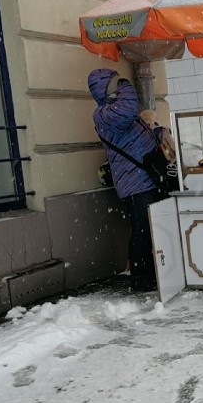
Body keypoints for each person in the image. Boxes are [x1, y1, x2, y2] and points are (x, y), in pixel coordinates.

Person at [88, 68, 164, 292]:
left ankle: (153, 273)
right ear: (104, 90)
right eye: (114, 86)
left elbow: (134, 129)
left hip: (145, 178)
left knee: (151, 228)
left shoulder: (115, 111)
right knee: (141, 229)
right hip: (134, 182)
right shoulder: (104, 114)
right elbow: (129, 109)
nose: (119, 89)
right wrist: (125, 83)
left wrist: (157, 134)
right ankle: (141, 278)